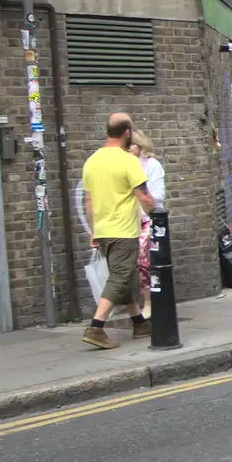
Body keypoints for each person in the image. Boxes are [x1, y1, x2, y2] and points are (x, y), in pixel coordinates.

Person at [81, 113, 156, 350]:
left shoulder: (91, 161)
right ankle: (96, 326)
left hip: (103, 230)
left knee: (126, 276)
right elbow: (144, 196)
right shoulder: (127, 161)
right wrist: (157, 215)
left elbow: (89, 202)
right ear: (127, 133)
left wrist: (94, 231)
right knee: (121, 277)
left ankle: (139, 323)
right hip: (123, 230)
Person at [127, 129, 166, 318]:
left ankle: (149, 302)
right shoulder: (123, 166)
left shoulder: (152, 165)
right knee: (128, 265)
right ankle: (134, 306)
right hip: (127, 220)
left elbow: (159, 195)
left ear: (140, 146)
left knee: (144, 261)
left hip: (148, 219)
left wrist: (138, 193)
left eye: (130, 145)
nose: (127, 149)